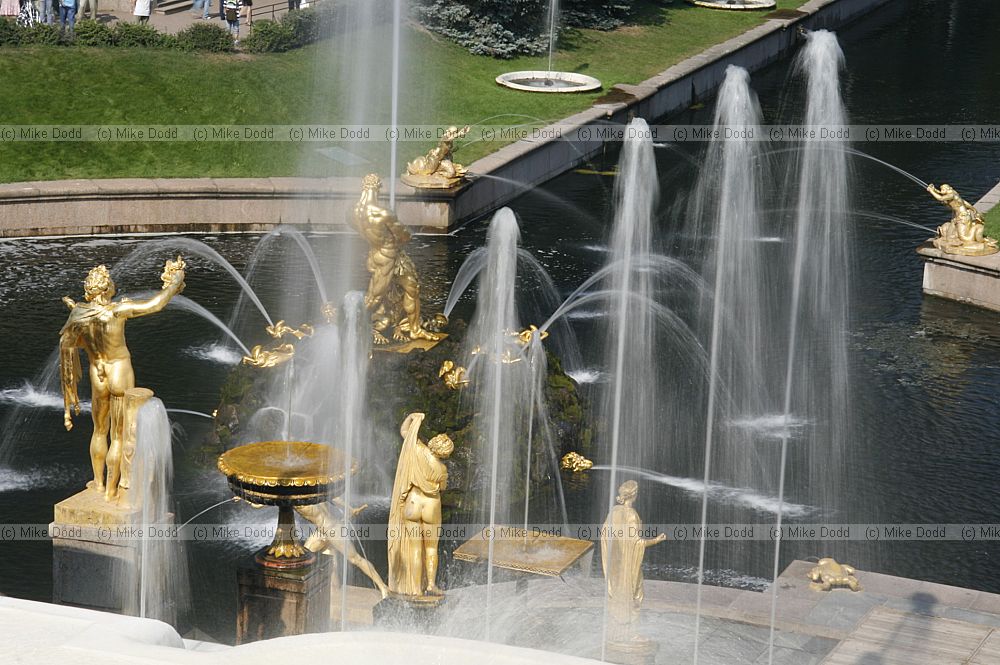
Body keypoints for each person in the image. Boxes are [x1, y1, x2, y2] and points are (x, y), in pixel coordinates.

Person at [60, 259, 185, 502]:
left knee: (99, 431)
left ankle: (98, 483)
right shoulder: (117, 311)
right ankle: (111, 490)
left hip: (98, 372)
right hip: (119, 370)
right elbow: (155, 304)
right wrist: (175, 283)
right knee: (118, 435)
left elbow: (73, 344)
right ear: (106, 288)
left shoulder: (80, 314)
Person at [386, 412, 453, 599]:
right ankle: (430, 584)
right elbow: (442, 488)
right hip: (431, 506)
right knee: (431, 548)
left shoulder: (417, 450)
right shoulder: (442, 469)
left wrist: (412, 417)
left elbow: (405, 432)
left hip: (413, 503)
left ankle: (415, 589)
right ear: (445, 453)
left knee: (415, 548)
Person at [600, 480, 666, 643]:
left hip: (617, 563)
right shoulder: (632, 515)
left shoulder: (614, 511)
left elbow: (605, 535)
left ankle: (615, 630)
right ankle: (631, 634)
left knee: (616, 593)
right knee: (636, 595)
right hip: (629, 564)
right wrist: (656, 540)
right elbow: (637, 543)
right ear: (634, 495)